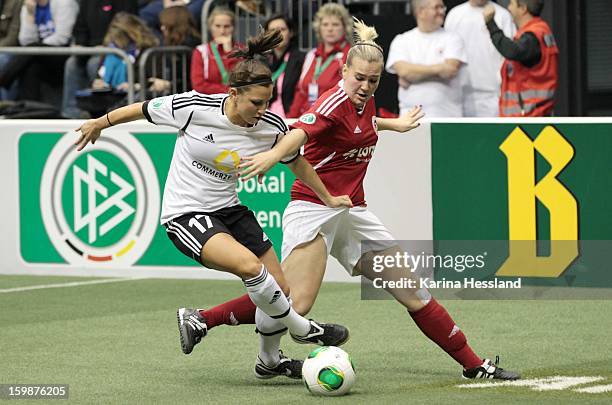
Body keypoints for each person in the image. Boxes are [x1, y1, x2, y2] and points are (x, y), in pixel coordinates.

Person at [203, 18, 521, 381]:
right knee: (294, 304)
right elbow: (299, 133)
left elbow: (359, 125)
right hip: (314, 209)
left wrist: (392, 123)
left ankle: (474, 364)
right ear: (344, 71)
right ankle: (207, 319)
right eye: (359, 78)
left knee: (412, 290)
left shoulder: (364, 102)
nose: (366, 86)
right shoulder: (334, 100)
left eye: (373, 80)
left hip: (352, 211)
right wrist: (272, 157)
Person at [74, 29, 351, 380]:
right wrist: (101, 122)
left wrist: (326, 196)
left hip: (230, 209)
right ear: (233, 94)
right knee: (252, 268)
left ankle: (269, 362)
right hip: (186, 213)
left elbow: (296, 161)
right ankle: (300, 328)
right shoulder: (193, 107)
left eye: (268, 102)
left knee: (279, 290)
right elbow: (142, 109)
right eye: (255, 102)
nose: (262, 110)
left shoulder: (271, 126)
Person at [386, 0, 467, 117]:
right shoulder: (402, 40)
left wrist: (412, 76)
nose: (442, 11)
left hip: (447, 116)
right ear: (420, 12)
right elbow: (404, 71)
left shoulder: (453, 38)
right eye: (436, 7)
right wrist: (439, 69)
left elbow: (450, 70)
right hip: (410, 118)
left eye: (442, 7)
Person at [61, 0, 140, 118]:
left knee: (94, 63)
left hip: (115, 47)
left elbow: (125, 27)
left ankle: (99, 113)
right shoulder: (87, 3)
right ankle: (70, 112)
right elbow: (80, 28)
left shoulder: (125, 3)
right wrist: (81, 44)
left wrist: (102, 45)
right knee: (72, 63)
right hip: (89, 47)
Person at [484, 0, 557, 116]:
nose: (509, 8)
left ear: (523, 9)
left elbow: (511, 51)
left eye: (512, 4)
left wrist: (490, 24)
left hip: (529, 117)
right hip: (531, 115)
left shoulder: (532, 37)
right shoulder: (539, 31)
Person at [444, 0, 515, 117]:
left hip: (493, 96)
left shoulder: (503, 15)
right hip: (459, 97)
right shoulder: (455, 15)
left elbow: (510, 56)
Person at [285, 2, 352, 118]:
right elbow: (301, 92)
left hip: (333, 120)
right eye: (325, 24)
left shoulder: (350, 55)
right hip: (306, 119)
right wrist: (290, 121)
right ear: (319, 28)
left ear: (345, 27)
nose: (330, 29)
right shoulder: (312, 56)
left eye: (335, 24)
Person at [147, 5, 201, 95]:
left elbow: (190, 78)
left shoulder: (190, 45)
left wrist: (168, 85)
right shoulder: (174, 43)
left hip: (185, 96)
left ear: (174, 24)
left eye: (165, 25)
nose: (162, 28)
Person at [190, 7, 242, 94]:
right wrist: (227, 90)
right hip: (209, 103)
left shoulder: (243, 50)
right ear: (210, 27)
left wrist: (229, 51)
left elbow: (241, 80)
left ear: (233, 28)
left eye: (227, 26)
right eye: (217, 26)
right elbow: (198, 85)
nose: (222, 31)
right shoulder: (201, 51)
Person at [263, 14, 305, 118]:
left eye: (282, 29)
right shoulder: (262, 61)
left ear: (291, 33)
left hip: (291, 118)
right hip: (266, 117)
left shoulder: (302, 59)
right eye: (272, 30)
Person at [0, 0, 24, 100]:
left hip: (12, 49)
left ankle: (6, 107)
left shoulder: (17, 2)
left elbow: (13, 38)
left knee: (2, 60)